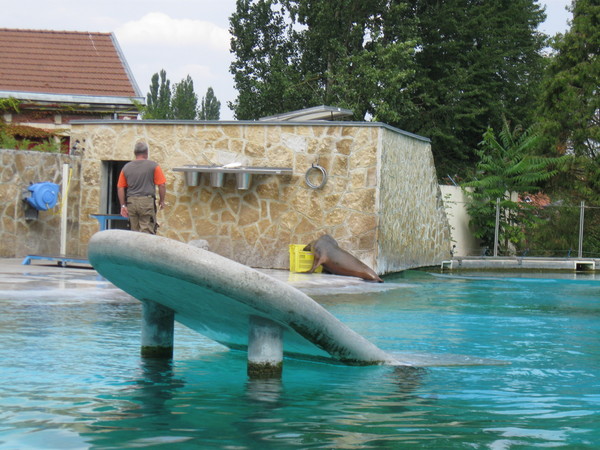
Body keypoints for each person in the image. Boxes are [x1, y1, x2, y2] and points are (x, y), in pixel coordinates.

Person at [117, 141, 166, 234]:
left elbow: (120, 187)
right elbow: (162, 185)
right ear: (146, 153)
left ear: (135, 153)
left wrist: (123, 205)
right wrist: (162, 201)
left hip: (131, 202)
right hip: (146, 202)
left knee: (134, 233)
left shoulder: (126, 168)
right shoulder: (154, 166)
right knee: (147, 232)